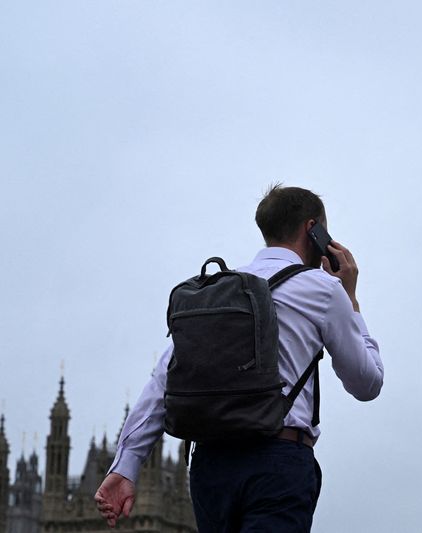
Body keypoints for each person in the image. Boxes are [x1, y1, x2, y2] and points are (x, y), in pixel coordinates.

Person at [95, 185, 384, 532]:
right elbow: (366, 382)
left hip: (210, 468)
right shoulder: (323, 289)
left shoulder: (213, 292)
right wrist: (351, 299)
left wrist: (125, 467)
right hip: (277, 463)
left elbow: (162, 383)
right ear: (314, 230)